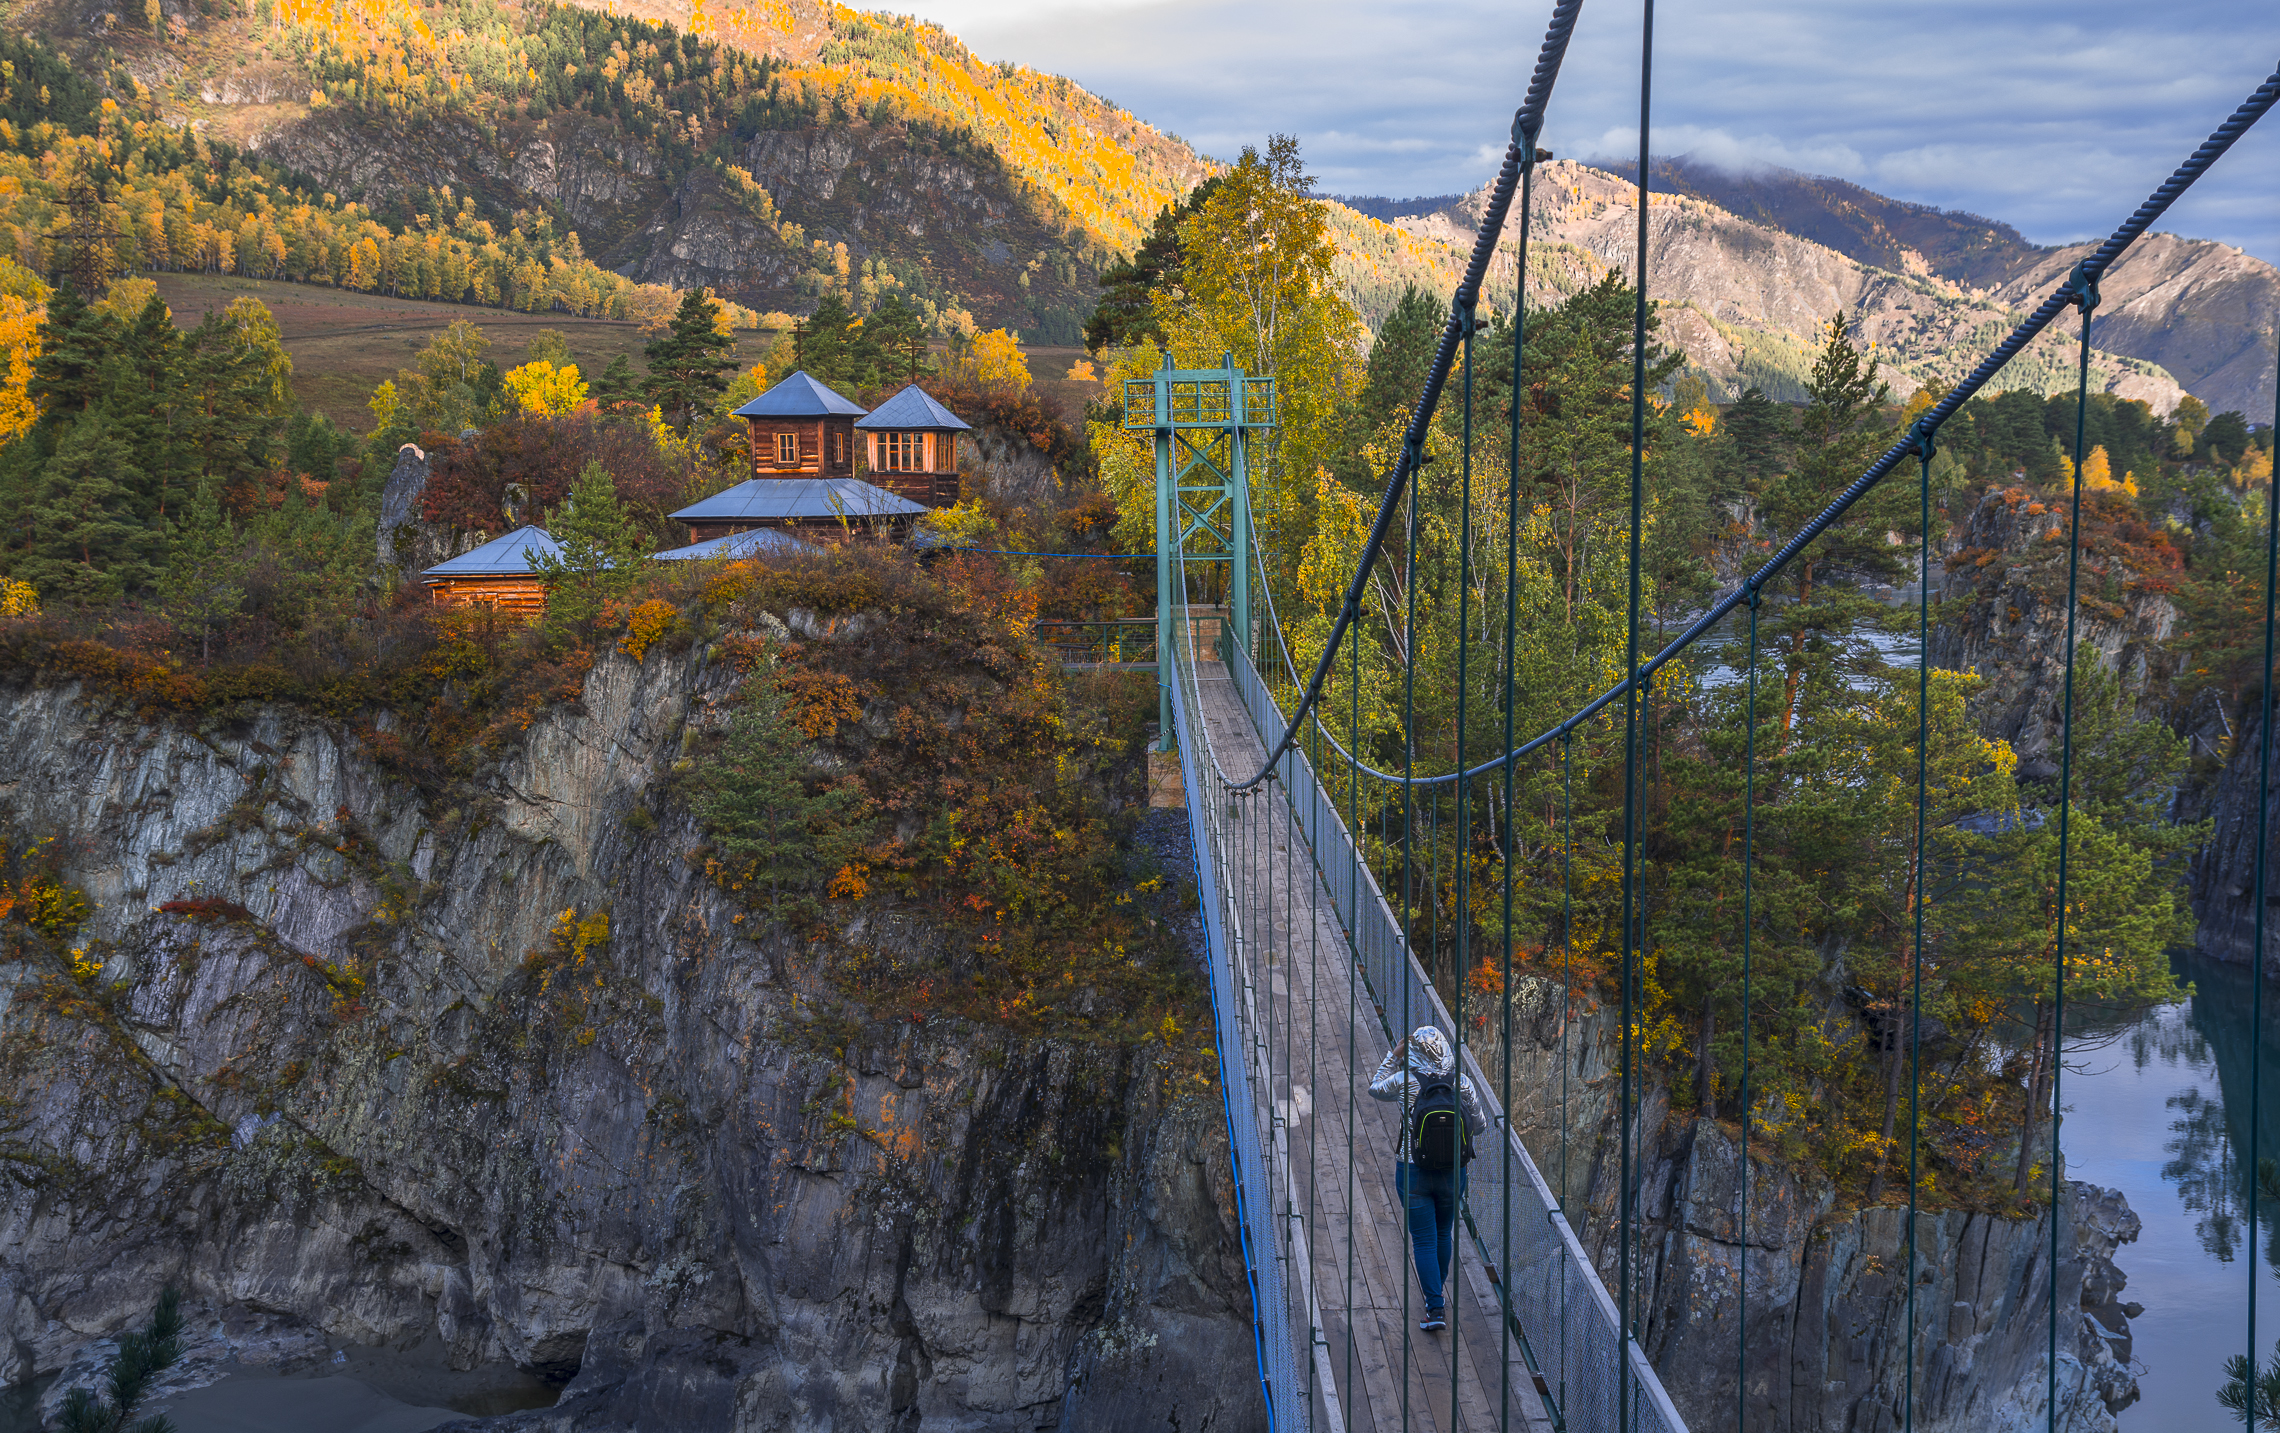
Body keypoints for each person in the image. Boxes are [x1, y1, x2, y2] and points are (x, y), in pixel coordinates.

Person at [1368, 1024, 1486, 1333]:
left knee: (1422, 1239)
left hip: (1413, 1170)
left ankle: (1435, 1307)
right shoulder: (1462, 1083)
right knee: (1443, 1232)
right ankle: (1436, 1290)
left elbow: (1374, 1087)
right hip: (1452, 1171)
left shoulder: (1406, 1080)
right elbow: (1481, 1126)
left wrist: (1395, 1055)